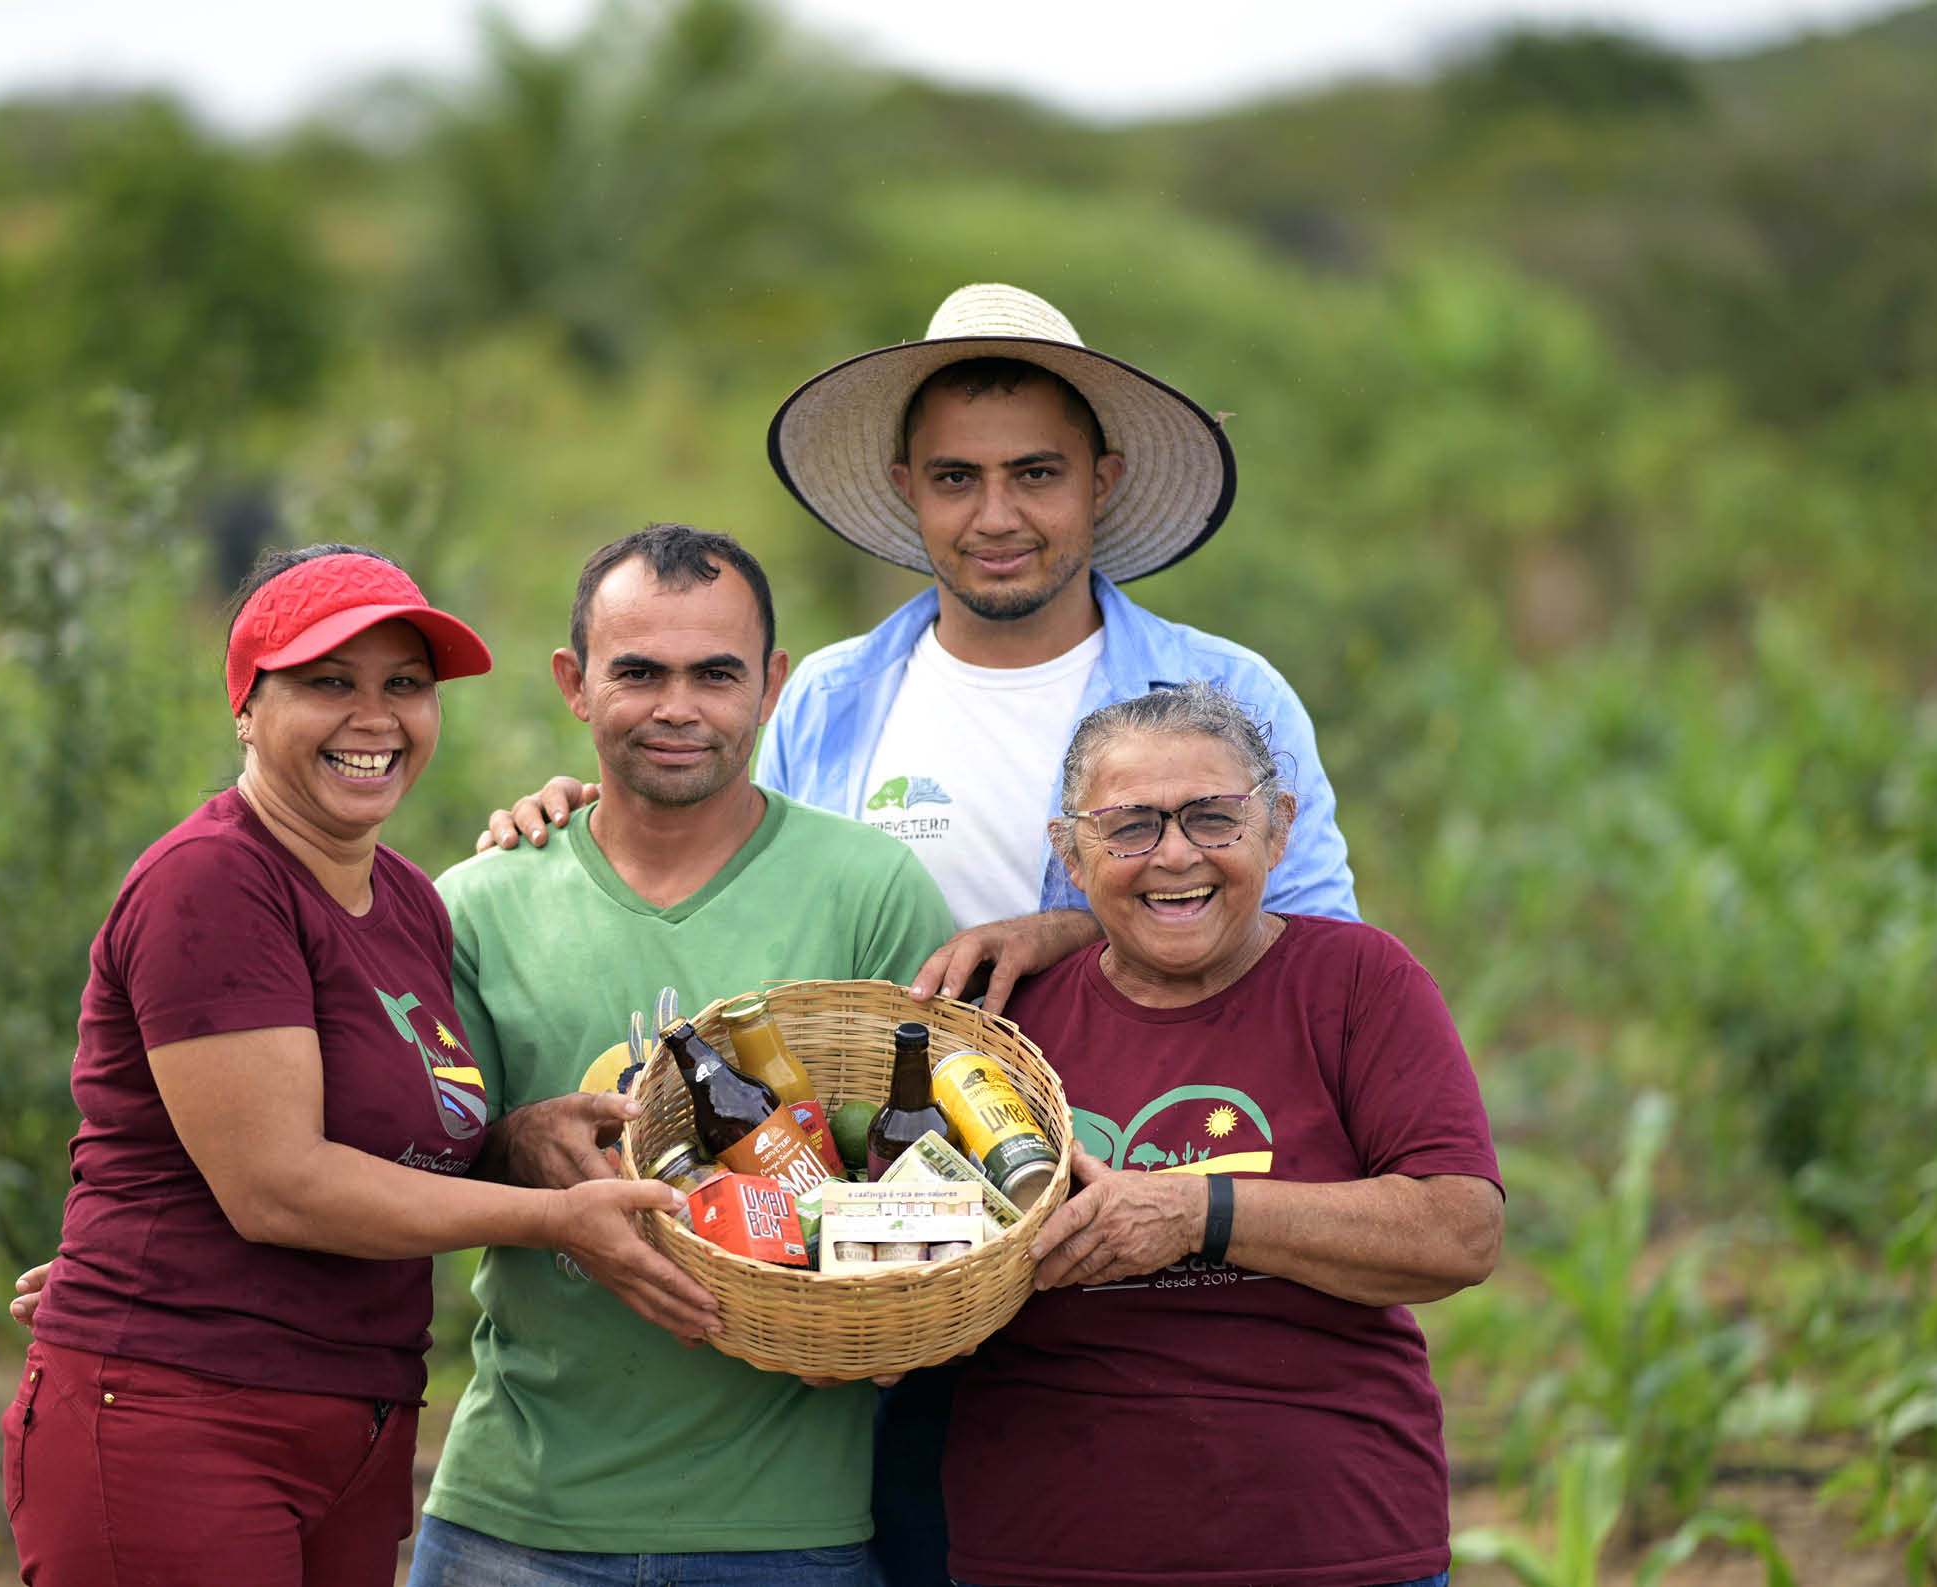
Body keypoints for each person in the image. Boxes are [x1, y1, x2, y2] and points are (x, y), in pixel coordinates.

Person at [482, 283, 1367, 1583]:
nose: (995, 514)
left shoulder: (1226, 691)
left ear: (1101, 481)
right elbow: (729, 858)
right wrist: (581, 811)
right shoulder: (836, 695)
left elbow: (1314, 943)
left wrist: (1077, 929)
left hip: (1143, 1213)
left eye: (1036, 473)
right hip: (879, 1237)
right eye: (955, 475)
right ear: (907, 487)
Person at [2, 545, 697, 1587]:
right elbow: (279, 1187)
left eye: (404, 686)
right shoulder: (215, 882)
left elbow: (395, 1145)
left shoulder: (410, 901)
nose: (375, 719)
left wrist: (520, 1141)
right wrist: (553, 1218)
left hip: (351, 1421)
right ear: (246, 706)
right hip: (184, 1409)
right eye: (330, 683)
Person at [404, 524, 956, 1586]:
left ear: (772, 684)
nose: (678, 708)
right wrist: (519, 1146)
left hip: (790, 1526)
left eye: (715, 674)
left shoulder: (870, 892)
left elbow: (943, 1185)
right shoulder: (477, 903)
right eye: (638, 672)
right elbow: (398, 1168)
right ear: (573, 682)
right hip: (516, 1516)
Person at [943, 681, 1503, 1587]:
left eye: (1213, 818)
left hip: (1331, 1541)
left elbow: (1458, 1231)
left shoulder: (1359, 982)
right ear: (1070, 854)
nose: (1173, 855)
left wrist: (1197, 1209)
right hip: (1046, 1547)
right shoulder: (1005, 1027)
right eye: (1129, 825)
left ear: (1277, 829)